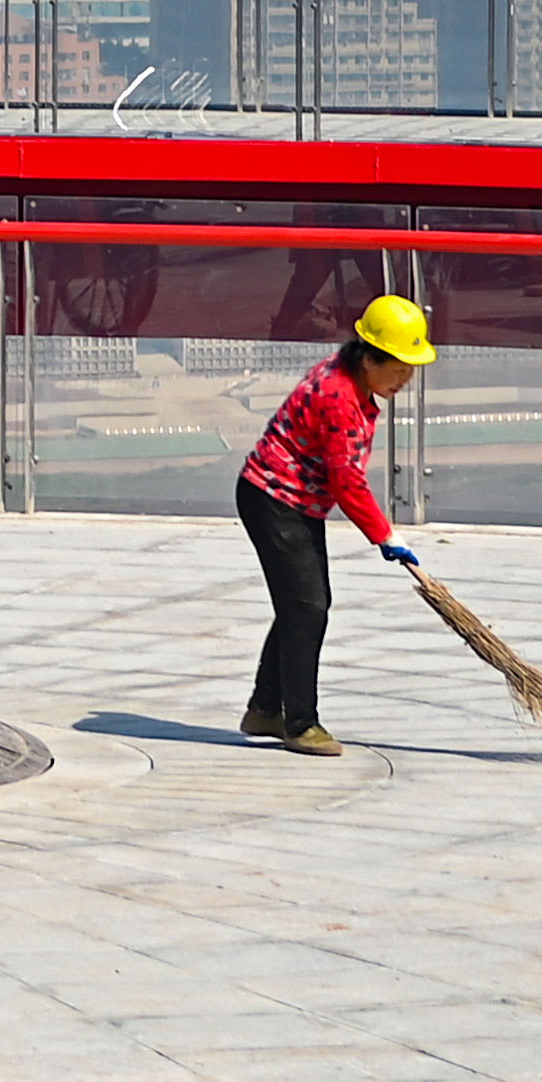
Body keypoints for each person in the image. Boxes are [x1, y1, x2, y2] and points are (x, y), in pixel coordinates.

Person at [235, 292, 435, 756]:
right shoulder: (340, 399)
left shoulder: (353, 380)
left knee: (301, 605)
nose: (406, 378)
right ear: (369, 357)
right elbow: (347, 482)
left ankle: (265, 708)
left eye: (411, 368)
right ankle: (300, 723)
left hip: (299, 503)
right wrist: (386, 536)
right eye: (399, 367)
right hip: (272, 500)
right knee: (308, 608)